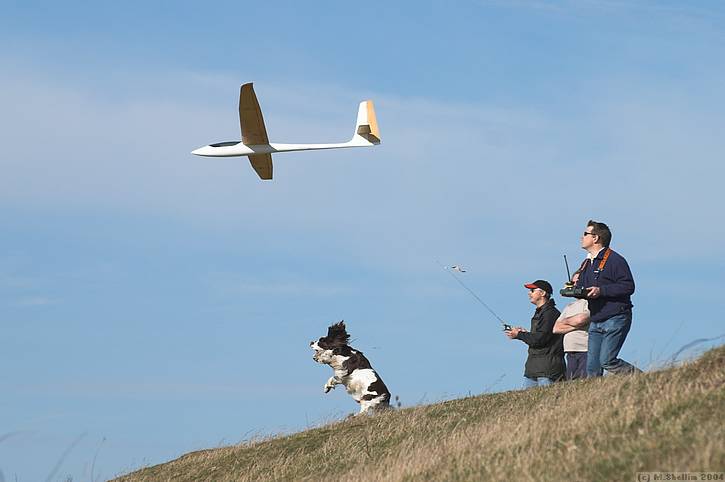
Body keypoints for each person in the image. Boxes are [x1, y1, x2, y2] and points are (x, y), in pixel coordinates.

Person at [576, 220, 640, 376]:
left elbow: (628, 286)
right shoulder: (586, 263)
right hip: (596, 319)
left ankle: (643, 379)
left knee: (607, 361)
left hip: (616, 317)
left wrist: (601, 291)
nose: (581, 237)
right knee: (592, 369)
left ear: (596, 238)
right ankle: (593, 400)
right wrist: (574, 288)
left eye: (585, 234)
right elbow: (585, 289)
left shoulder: (615, 260)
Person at [506, 279, 564, 388]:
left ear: (542, 293)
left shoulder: (550, 313)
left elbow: (540, 339)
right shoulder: (541, 312)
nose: (529, 293)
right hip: (533, 369)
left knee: (549, 402)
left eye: (532, 290)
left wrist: (519, 335)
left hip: (547, 370)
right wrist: (524, 334)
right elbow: (538, 337)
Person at [554, 271, 590, 380]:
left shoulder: (589, 302)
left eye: (577, 282)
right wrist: (576, 324)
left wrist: (566, 321)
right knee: (571, 384)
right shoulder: (569, 306)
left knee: (585, 382)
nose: (574, 285)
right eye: (573, 282)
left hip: (585, 350)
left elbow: (580, 319)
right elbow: (556, 328)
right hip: (570, 351)